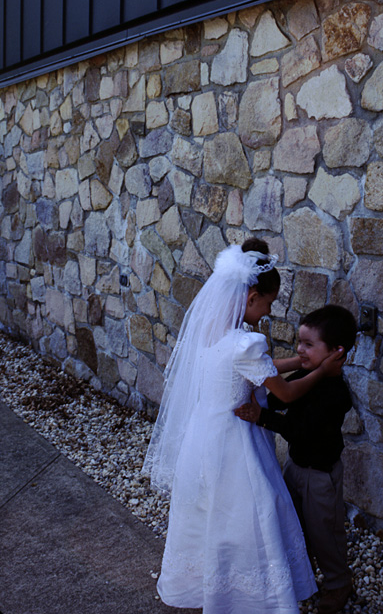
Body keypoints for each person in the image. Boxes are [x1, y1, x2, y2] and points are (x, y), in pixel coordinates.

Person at [142, 238, 345, 614]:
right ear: (251, 297)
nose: (268, 312)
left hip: (204, 436)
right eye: (267, 303)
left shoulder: (213, 334)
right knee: (251, 510)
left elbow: (262, 369)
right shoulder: (247, 343)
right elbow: (282, 393)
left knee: (210, 511)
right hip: (234, 443)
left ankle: (210, 585)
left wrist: (301, 364)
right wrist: (321, 372)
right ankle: (253, 594)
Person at [235, 305, 358, 614]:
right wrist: (258, 396)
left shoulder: (336, 394)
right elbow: (279, 396)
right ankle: (302, 575)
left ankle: (338, 583)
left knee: (325, 532)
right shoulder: (307, 373)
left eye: (308, 344)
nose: (299, 350)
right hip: (295, 466)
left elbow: (301, 430)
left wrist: (263, 417)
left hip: (320, 474)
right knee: (295, 524)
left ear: (336, 352)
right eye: (299, 342)